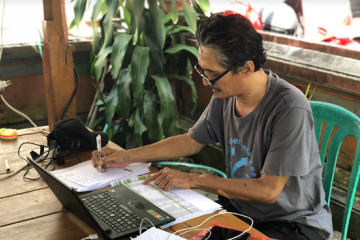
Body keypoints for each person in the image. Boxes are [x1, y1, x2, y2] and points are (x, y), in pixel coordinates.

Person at [92, 11, 333, 240]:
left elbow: (268, 191)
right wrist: (128, 156)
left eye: (211, 73)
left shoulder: (289, 107)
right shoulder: (226, 95)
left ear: (246, 67)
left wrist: (197, 179)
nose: (206, 82)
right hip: (242, 209)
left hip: (292, 223)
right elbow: (192, 140)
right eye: (202, 70)